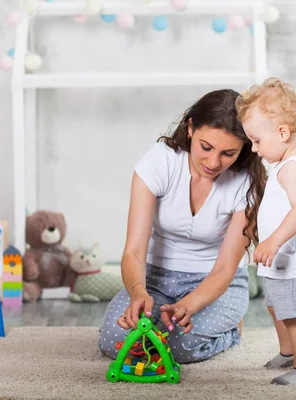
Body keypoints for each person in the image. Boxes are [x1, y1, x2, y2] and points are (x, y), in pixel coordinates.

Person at [98, 89, 266, 364]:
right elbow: (134, 251)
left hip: (214, 283)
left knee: (176, 347)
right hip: (154, 280)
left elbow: (225, 268)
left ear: (244, 148)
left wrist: (189, 304)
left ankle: (231, 332)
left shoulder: (246, 181)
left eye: (228, 153)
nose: (213, 163)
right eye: (206, 147)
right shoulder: (161, 161)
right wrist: (138, 292)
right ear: (190, 129)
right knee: (115, 342)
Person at [236, 78, 296, 385]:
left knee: (292, 315)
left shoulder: (292, 168)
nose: (253, 148)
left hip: (293, 259)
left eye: (256, 140)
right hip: (286, 259)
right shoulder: (295, 165)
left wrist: (273, 240)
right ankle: (288, 351)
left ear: (282, 133)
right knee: (274, 305)